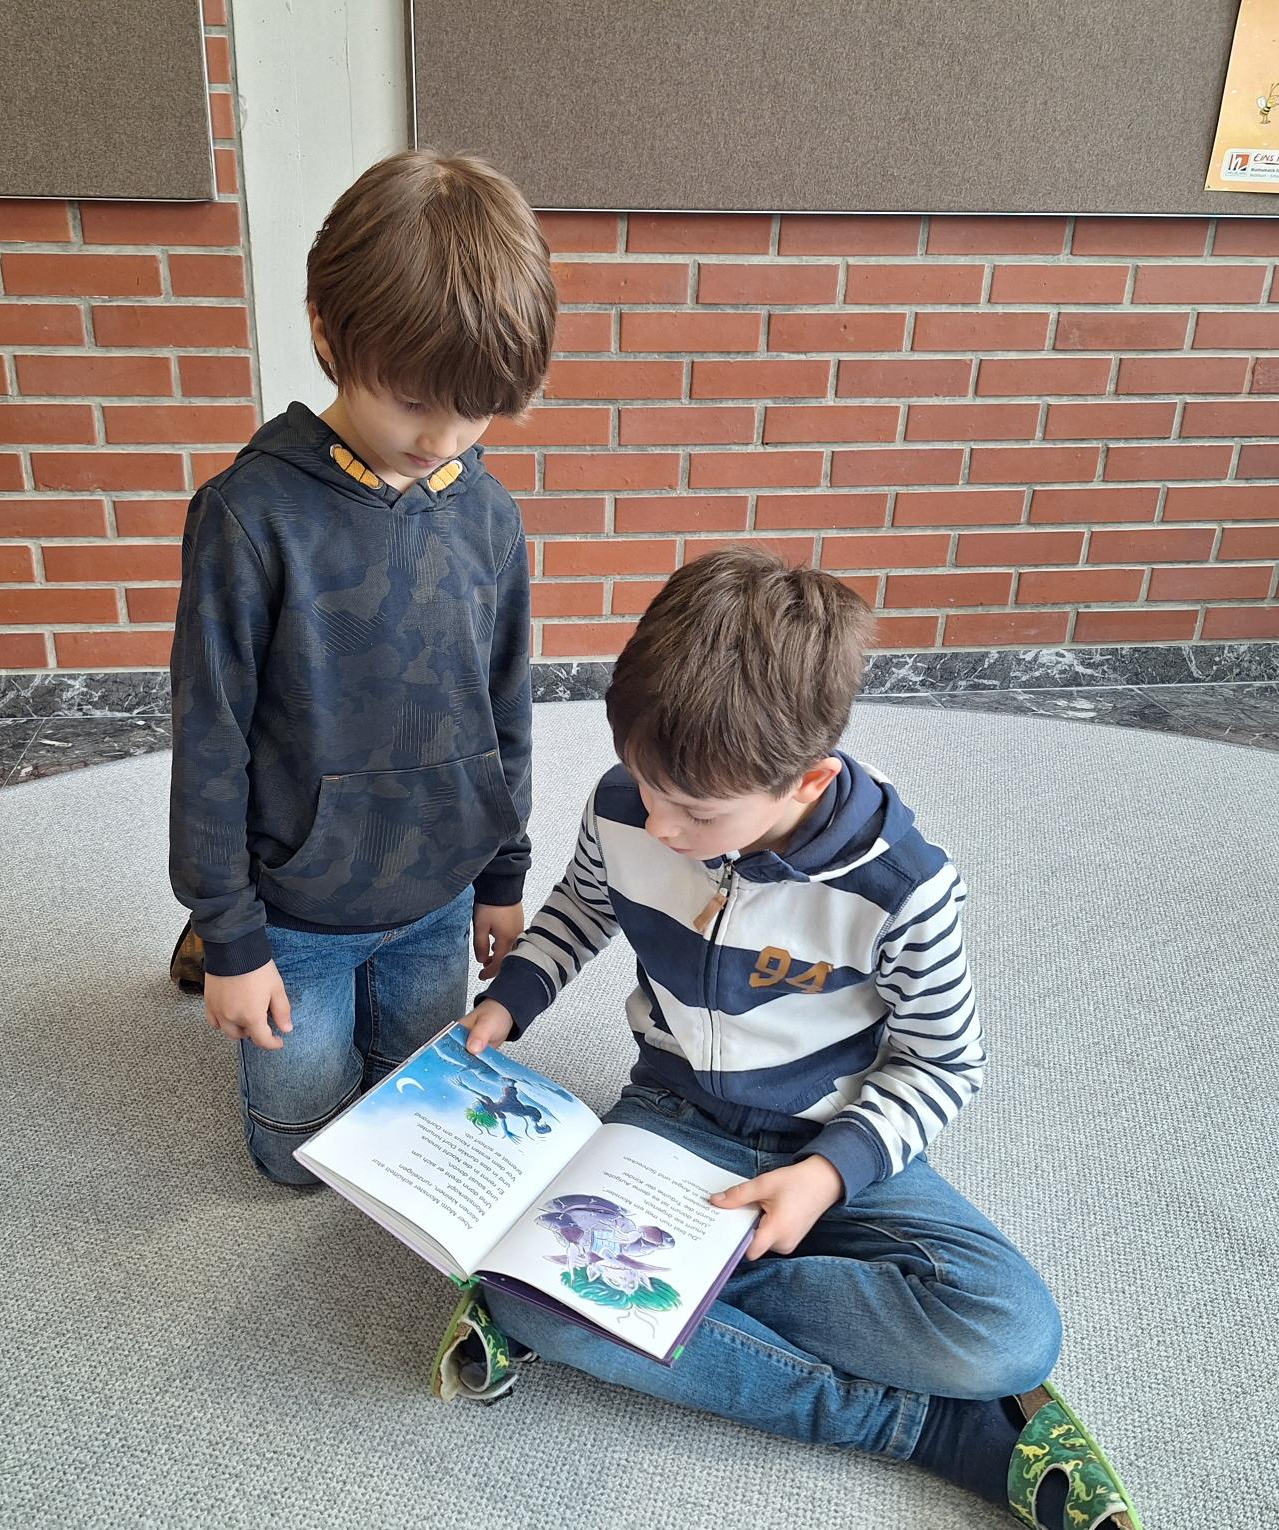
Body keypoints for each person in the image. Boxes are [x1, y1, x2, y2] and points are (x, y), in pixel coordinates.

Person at [440, 548, 1139, 1530]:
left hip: (838, 1140)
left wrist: (825, 1176)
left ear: (808, 780)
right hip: (674, 1117)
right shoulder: (627, 805)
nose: (657, 823)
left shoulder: (904, 887)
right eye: (644, 785)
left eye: (695, 811)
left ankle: (664, 1277)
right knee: (532, 1306)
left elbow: (944, 1062)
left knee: (1009, 1335)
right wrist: (510, 1001)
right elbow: (582, 907)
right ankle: (921, 1430)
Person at [166, 149, 557, 1187]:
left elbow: (506, 706)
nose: (444, 438)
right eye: (415, 402)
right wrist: (232, 936)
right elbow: (209, 740)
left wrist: (502, 877)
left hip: (436, 894)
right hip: (297, 908)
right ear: (326, 334)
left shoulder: (489, 514)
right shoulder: (249, 518)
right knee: (297, 1157)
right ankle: (206, 949)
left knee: (409, 1116)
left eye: (476, 410)